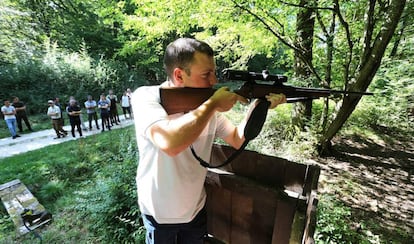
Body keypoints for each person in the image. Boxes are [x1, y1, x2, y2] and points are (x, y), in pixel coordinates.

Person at [131, 38, 286, 244]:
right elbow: (169, 142)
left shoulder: (207, 106)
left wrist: (260, 106)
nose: (213, 81)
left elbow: (238, 139)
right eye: (206, 74)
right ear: (179, 75)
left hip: (195, 209)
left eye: (214, 72)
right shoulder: (147, 97)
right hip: (159, 214)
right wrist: (212, 105)